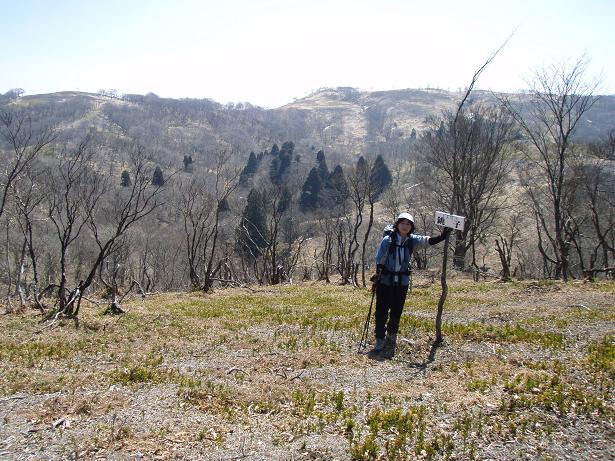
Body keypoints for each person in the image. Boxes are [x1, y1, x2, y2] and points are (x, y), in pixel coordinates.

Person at [371, 212, 450, 354]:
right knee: (381, 311)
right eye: (402, 223)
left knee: (397, 310)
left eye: (408, 224)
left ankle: (392, 336)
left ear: (411, 227)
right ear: (397, 224)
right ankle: (380, 338)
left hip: (402, 282)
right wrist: (377, 277)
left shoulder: (412, 240)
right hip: (385, 281)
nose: (405, 226)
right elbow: (379, 260)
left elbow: (428, 241)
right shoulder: (387, 240)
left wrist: (442, 236)